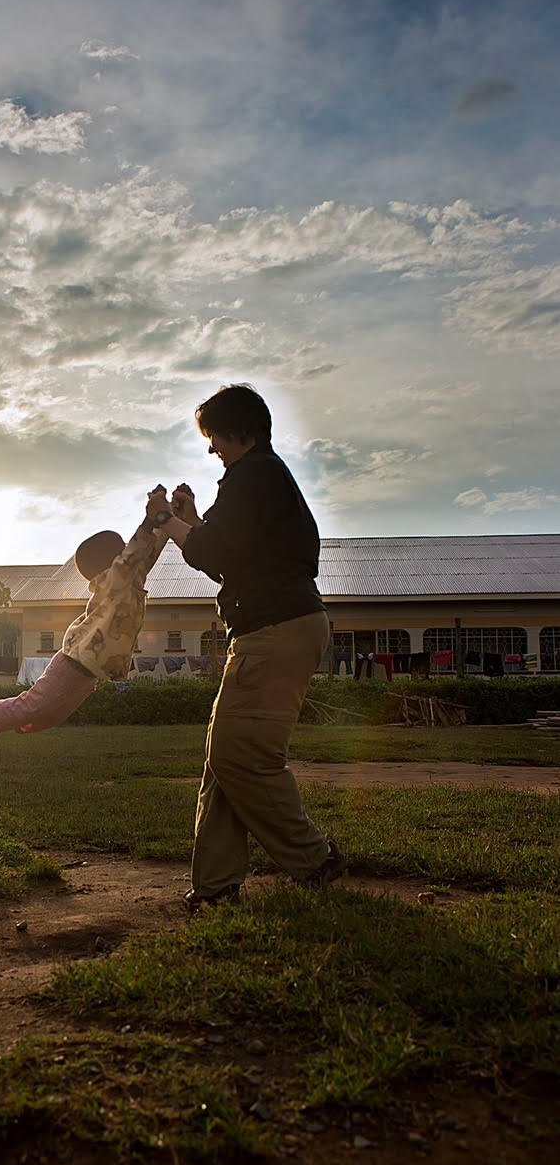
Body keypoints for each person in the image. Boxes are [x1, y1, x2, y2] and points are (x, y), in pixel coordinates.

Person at [145, 384, 346, 910]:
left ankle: (314, 858)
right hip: (281, 626)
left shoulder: (252, 475)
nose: (211, 449)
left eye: (214, 437)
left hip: (273, 631)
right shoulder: (264, 478)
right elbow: (223, 559)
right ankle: (215, 887)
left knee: (246, 757)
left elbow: (210, 550)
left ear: (239, 431)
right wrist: (191, 520)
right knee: (224, 756)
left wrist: (167, 521)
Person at [0, 488, 170, 743]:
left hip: (86, 673)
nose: (129, 557)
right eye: (121, 553)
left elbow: (148, 551)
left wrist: (170, 517)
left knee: (50, 715)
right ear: (112, 562)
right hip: (73, 664)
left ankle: (2, 718)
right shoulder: (113, 581)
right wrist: (150, 519)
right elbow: (137, 550)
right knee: (34, 705)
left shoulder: (128, 579)